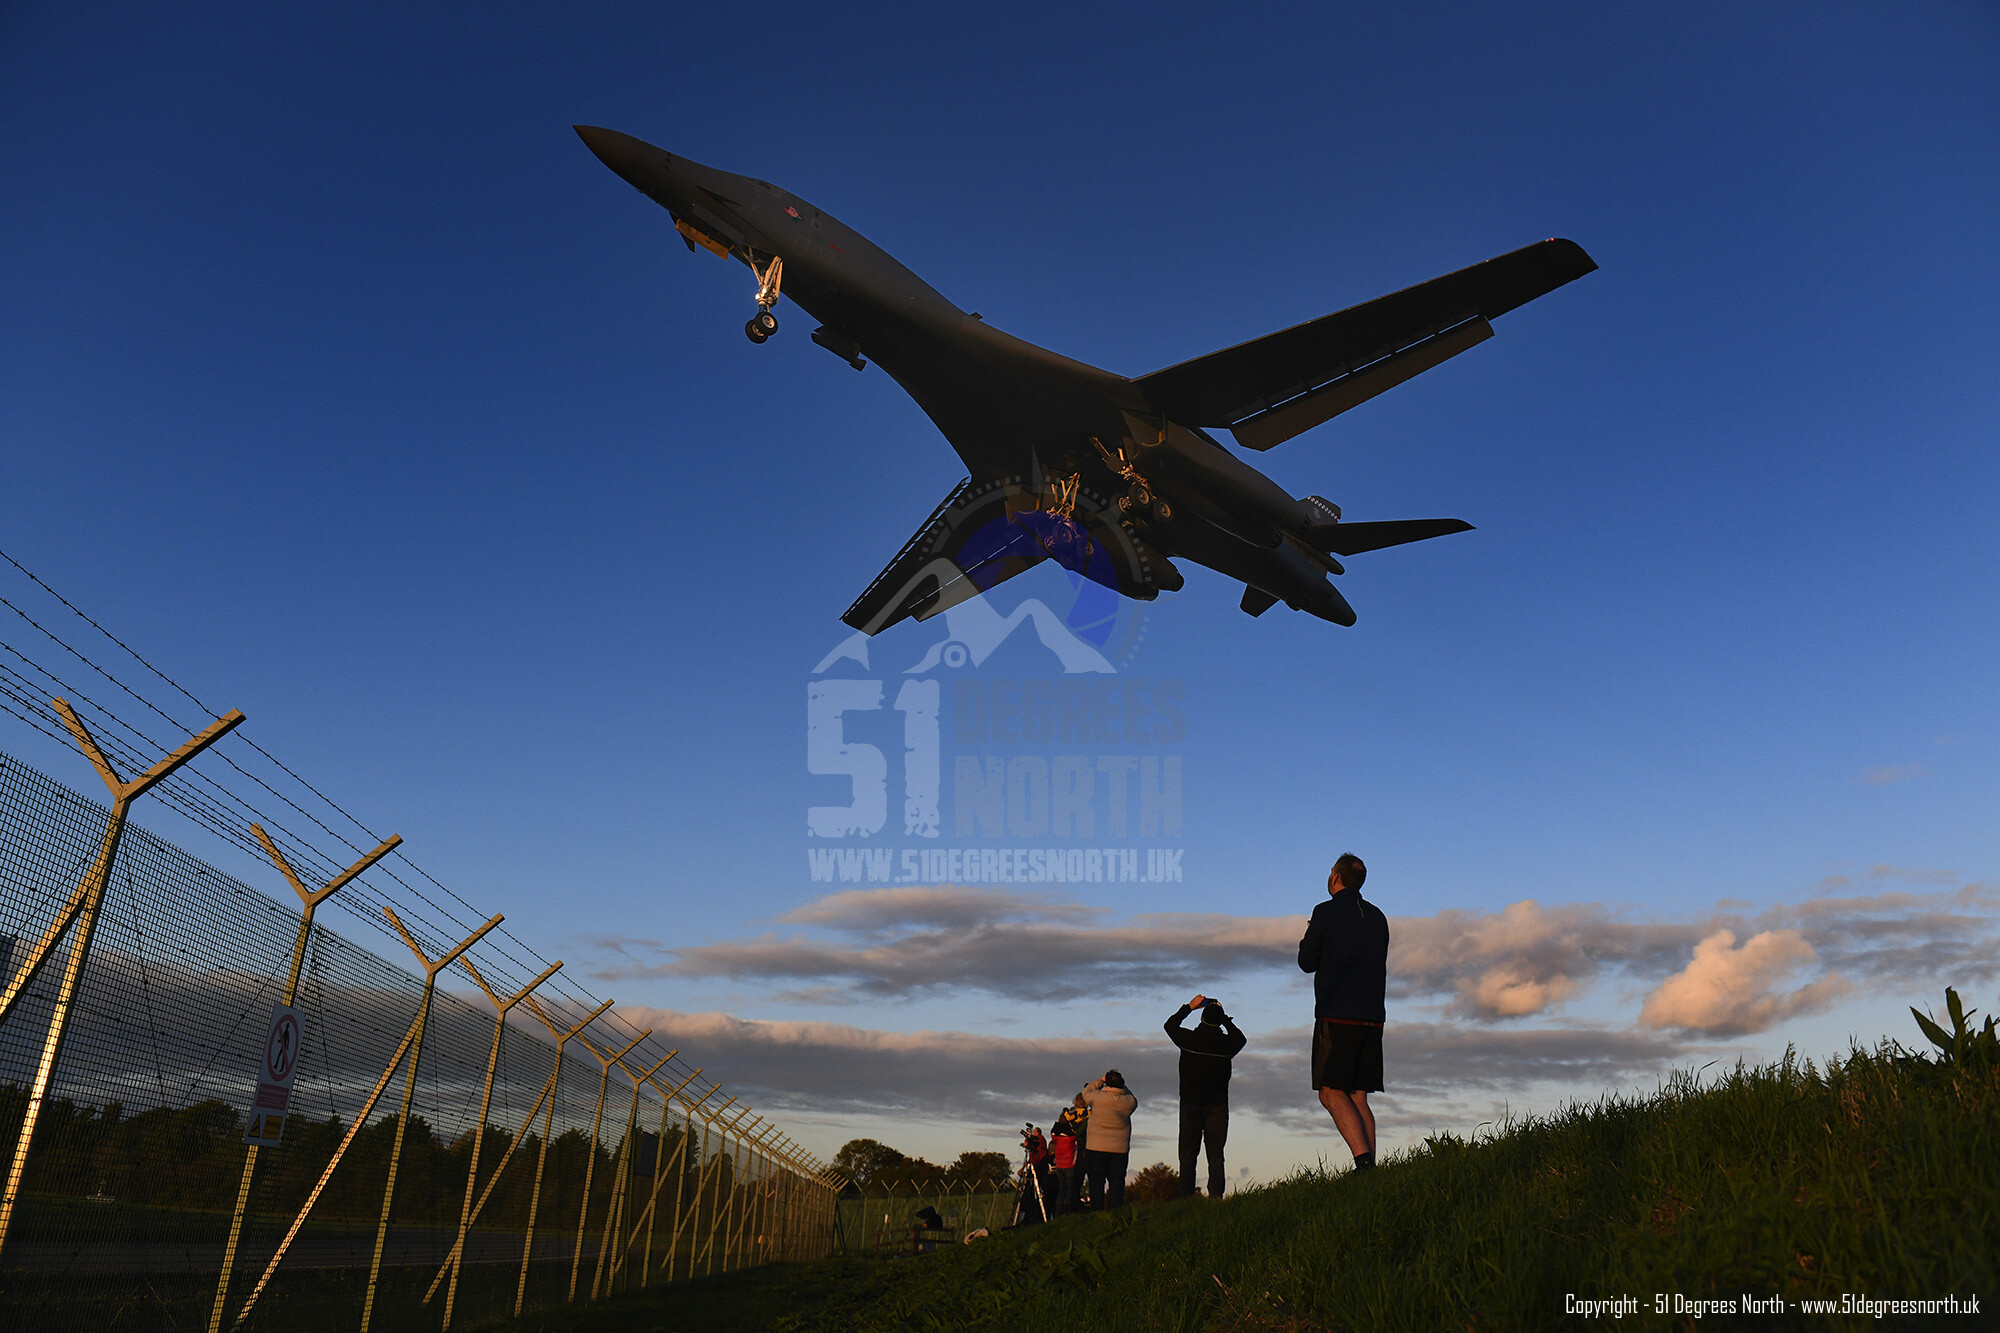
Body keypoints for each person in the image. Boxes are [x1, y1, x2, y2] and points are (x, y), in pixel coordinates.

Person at [1297, 852, 1388, 1171]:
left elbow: (1306, 962)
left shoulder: (1325, 912)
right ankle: (1370, 1168)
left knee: (1330, 1092)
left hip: (1337, 1014)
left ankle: (1363, 1163)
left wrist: (1311, 932)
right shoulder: (1378, 917)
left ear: (1335, 877)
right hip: (1373, 1017)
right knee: (1358, 1095)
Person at [1164, 993, 1247, 1197]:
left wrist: (1190, 1007)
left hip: (1189, 1104)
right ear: (1219, 1022)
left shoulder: (1188, 1040)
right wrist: (1225, 1018)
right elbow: (1241, 1039)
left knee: (1187, 1155)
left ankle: (1185, 1199)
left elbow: (1170, 1025)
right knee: (1216, 1155)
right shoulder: (1227, 1045)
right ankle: (1216, 1199)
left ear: (1201, 1018)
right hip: (1217, 1106)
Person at [1079, 1069, 1137, 1208]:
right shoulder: (1128, 1102)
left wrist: (1101, 1080)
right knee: (1117, 1182)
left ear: (1107, 1082)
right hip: (1119, 1149)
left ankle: (1097, 1212)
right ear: (1122, 1083)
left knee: (1096, 1182)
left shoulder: (1096, 1097)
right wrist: (1122, 1086)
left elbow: (1086, 1092)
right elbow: (1132, 1097)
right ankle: (1115, 1213)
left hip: (1095, 1147)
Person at [1049, 1094, 1086, 1212]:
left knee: (1061, 1190)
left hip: (1059, 1165)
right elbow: (1077, 1136)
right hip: (1070, 1164)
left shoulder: (1056, 1137)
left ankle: (1058, 1211)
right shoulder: (1071, 1137)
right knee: (1070, 1189)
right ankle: (1068, 1209)